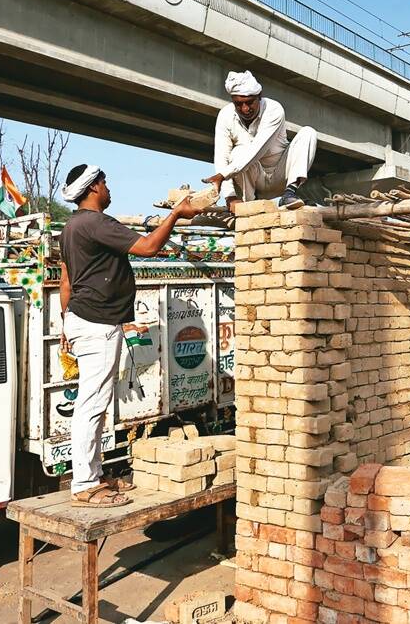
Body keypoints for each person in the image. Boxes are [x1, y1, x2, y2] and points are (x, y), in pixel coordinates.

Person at [59, 164, 201, 507]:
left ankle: (93, 473)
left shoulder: (70, 228)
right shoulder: (97, 223)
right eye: (105, 183)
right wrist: (176, 215)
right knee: (92, 405)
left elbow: (66, 280)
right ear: (93, 188)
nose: (109, 188)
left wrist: (66, 323)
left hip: (81, 319)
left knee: (93, 403)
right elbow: (149, 247)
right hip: (98, 323)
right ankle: (85, 483)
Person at [203, 70, 317, 211]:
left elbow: (257, 149)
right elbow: (221, 157)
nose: (245, 109)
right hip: (254, 183)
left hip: (280, 175)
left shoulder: (274, 109)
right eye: (239, 104)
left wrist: (223, 175)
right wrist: (230, 197)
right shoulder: (225, 115)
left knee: (308, 132)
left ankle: (289, 194)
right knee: (239, 152)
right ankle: (250, 204)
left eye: (250, 102)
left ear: (259, 96)